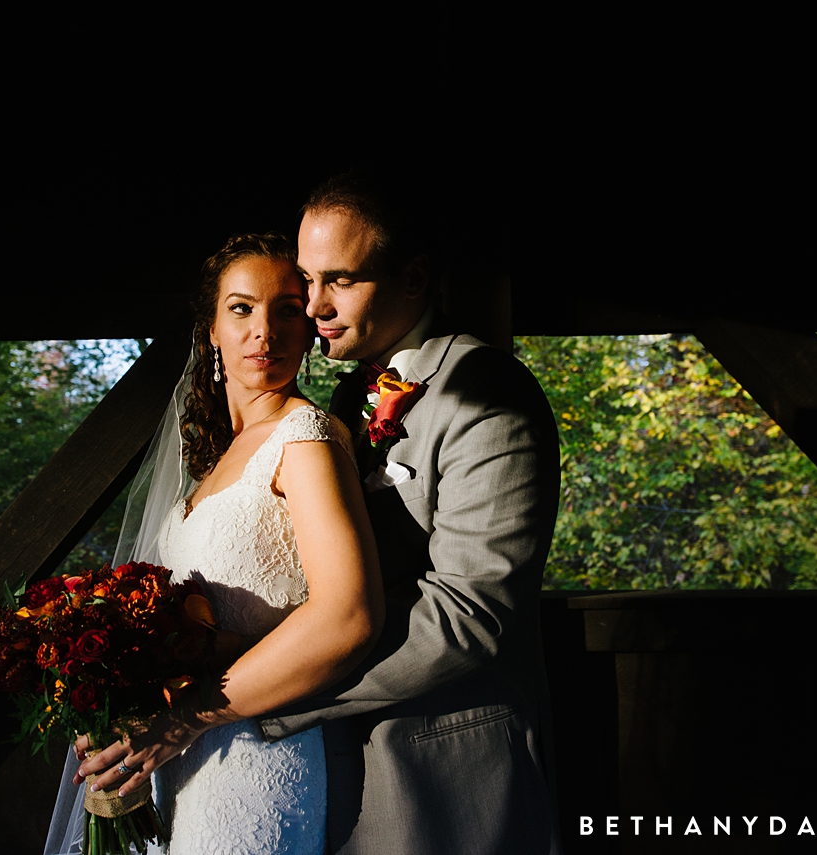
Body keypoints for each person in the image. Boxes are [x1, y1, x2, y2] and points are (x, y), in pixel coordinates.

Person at [256, 172, 564, 854]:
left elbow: (470, 616)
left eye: (339, 279)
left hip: (445, 777)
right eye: (305, 279)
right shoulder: (341, 403)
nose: (312, 305)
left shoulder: (488, 391)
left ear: (415, 278)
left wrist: (272, 691)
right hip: (328, 778)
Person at [55, 232, 385, 855]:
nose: (266, 330)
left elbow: (349, 617)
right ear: (210, 329)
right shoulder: (208, 467)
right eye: (242, 309)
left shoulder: (307, 438)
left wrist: (179, 721)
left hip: (256, 762)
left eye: (287, 309)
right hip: (172, 761)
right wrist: (119, 710)